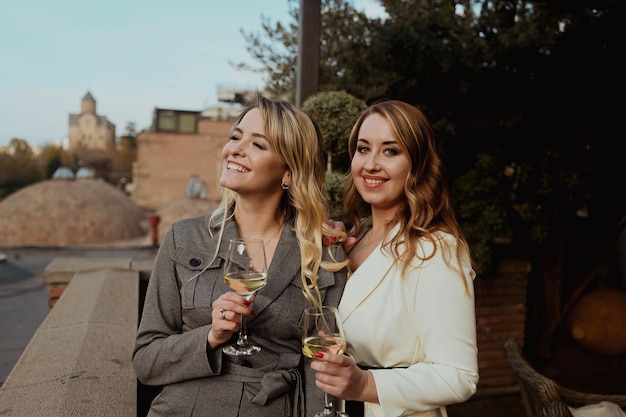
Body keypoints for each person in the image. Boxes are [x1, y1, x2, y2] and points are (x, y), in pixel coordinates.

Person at [133, 93, 350, 417]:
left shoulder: (322, 250)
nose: (235, 148)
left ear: (288, 172)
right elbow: (146, 361)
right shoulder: (184, 238)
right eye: (236, 137)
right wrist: (210, 336)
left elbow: (320, 368)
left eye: (257, 145)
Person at [314, 99, 479, 417]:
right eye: (363, 149)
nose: (371, 164)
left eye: (390, 151)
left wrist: (363, 384)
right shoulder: (351, 240)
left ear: (416, 165)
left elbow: (459, 377)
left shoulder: (436, 250)